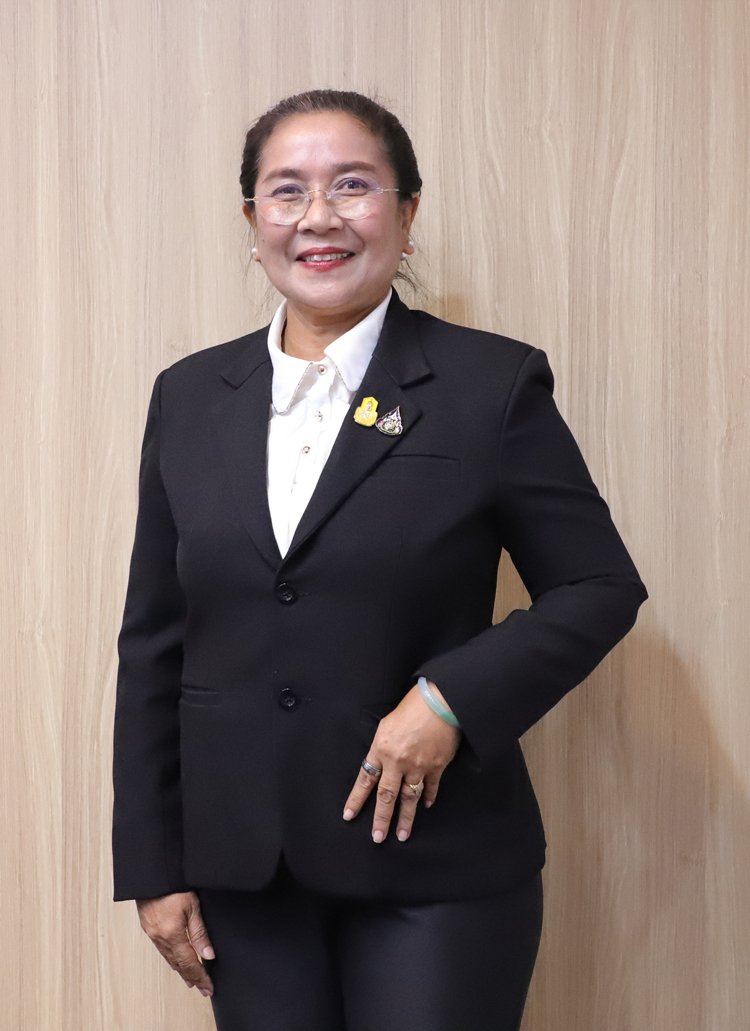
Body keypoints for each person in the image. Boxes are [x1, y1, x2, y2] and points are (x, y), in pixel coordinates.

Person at [112, 89, 647, 1031]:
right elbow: (155, 640)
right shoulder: (189, 396)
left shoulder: (490, 384)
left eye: (353, 186)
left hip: (435, 870)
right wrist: (154, 867)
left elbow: (598, 586)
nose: (318, 216)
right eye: (287, 191)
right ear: (253, 222)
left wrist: (448, 700)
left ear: (406, 214)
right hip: (248, 873)